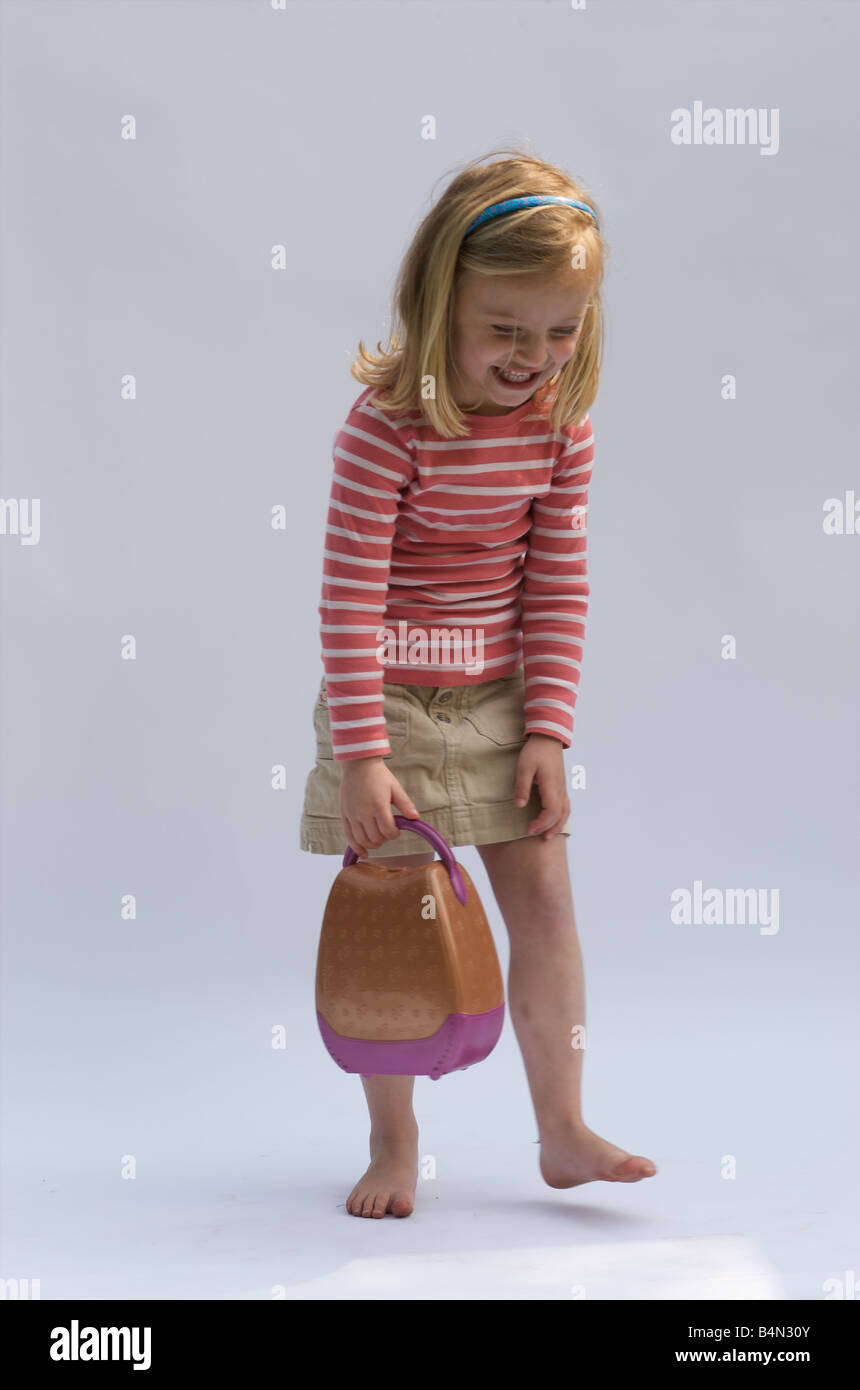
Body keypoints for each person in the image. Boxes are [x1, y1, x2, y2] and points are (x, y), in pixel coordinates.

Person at [300, 147, 657, 1218]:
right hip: (391, 701)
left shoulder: (560, 428)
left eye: (560, 330)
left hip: (501, 695)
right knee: (399, 918)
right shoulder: (385, 431)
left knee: (543, 899)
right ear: (438, 297)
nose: (532, 356)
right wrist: (363, 754)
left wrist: (546, 729)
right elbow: (348, 600)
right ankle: (392, 1140)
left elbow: (556, 581)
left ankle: (560, 1130)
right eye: (505, 329)